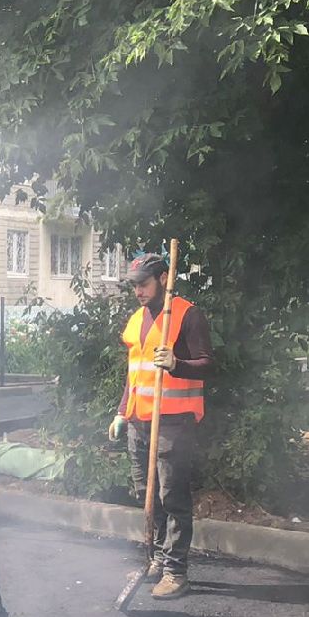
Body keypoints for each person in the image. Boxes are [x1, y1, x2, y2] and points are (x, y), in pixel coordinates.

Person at [107, 252, 213, 599]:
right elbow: (133, 374)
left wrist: (177, 363)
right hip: (140, 421)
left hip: (173, 422)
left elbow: (208, 365)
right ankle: (156, 557)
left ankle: (176, 571)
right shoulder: (138, 319)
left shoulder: (186, 315)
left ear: (164, 278)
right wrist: (122, 412)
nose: (138, 291)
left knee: (173, 497)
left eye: (144, 284)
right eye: (134, 286)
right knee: (147, 495)